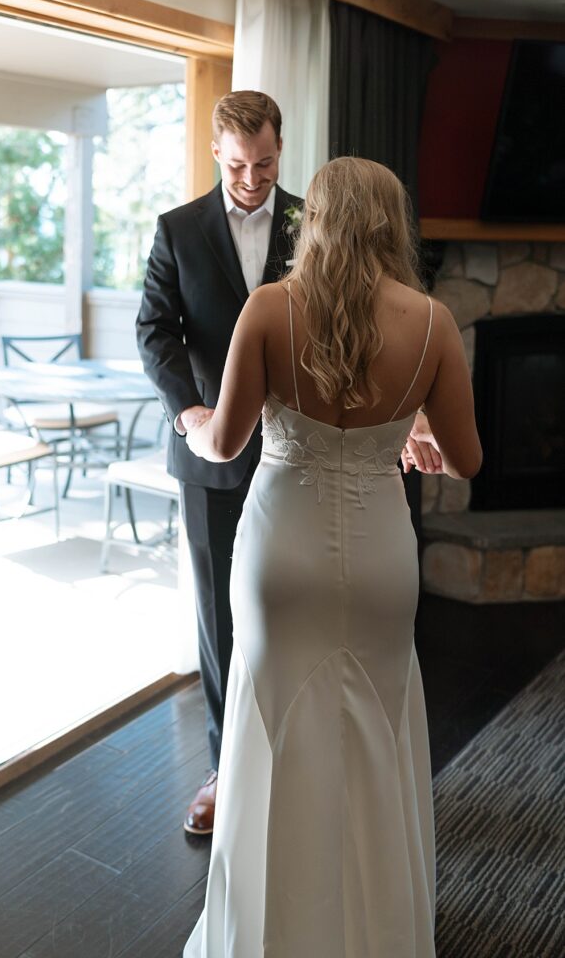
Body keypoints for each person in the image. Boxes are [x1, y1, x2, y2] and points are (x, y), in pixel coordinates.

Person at [182, 157, 482, 956]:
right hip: (380, 556)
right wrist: (409, 434)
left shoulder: (270, 308)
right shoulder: (431, 322)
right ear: (393, 225)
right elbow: (467, 459)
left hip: (281, 551)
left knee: (271, 730)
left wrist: (188, 420)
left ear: (309, 219)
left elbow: (224, 443)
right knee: (375, 736)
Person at [136, 91, 438, 835]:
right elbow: (154, 329)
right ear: (216, 153)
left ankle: (326, 771)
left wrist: (412, 411)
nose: (251, 179)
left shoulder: (323, 219)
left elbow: (382, 328)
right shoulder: (176, 230)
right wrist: (191, 411)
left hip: (304, 462)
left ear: (280, 149)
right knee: (220, 621)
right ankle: (225, 769)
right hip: (214, 451)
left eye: (265, 163)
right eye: (238, 165)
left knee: (319, 617)